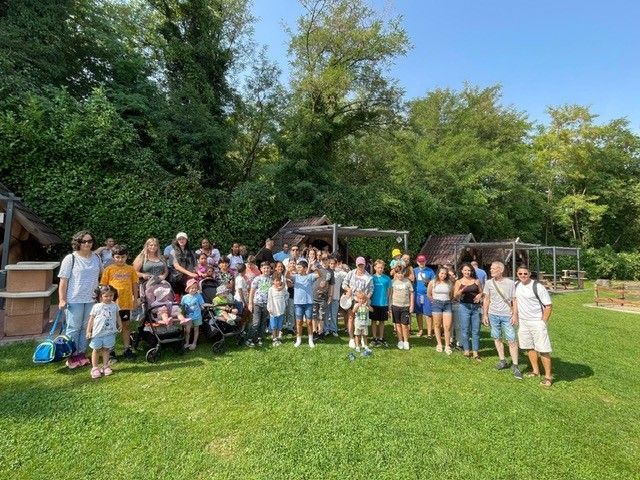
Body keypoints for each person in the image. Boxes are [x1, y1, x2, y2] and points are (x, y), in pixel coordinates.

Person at [58, 230, 102, 369]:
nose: (87, 244)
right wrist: (62, 299)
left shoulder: (96, 258)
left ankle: (81, 354)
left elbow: (101, 275)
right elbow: (63, 281)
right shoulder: (70, 258)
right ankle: (71, 356)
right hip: (74, 299)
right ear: (78, 243)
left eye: (90, 241)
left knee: (86, 327)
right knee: (73, 328)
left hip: (91, 299)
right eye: (84, 241)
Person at [513, 265, 553, 387]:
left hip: (537, 322)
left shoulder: (538, 287)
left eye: (525, 273)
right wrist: (515, 315)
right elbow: (514, 301)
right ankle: (535, 371)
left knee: (543, 349)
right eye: (520, 274)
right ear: (517, 274)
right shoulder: (516, 285)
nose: (523, 276)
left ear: (529, 274)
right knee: (529, 347)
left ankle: (548, 377)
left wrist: (543, 322)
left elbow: (548, 306)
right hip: (523, 322)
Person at [482, 261, 523, 379]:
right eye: (491, 268)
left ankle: (515, 365)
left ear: (501, 270)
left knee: (512, 340)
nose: (491, 270)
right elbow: (486, 299)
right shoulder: (488, 283)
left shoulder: (510, 283)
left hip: (507, 315)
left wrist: (514, 315)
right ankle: (502, 360)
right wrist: (485, 314)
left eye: (493, 268)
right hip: (493, 315)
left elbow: (514, 300)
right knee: (497, 338)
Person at [101, 244, 139, 361]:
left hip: (126, 303)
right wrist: (102, 302)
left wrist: (135, 299)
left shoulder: (131, 269)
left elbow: (135, 285)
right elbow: (103, 287)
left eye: (123, 257)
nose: (120, 259)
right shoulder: (108, 269)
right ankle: (111, 351)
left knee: (126, 325)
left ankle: (127, 349)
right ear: (113, 257)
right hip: (111, 304)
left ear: (126, 257)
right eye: (117, 257)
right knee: (111, 327)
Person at [86, 285, 122, 379]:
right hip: (97, 333)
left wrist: (120, 324)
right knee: (96, 349)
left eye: (111, 296)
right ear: (101, 296)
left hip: (109, 333)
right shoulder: (96, 306)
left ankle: (106, 366)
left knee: (106, 349)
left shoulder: (114, 305)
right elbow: (91, 319)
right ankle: (95, 368)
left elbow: (117, 316)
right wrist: (89, 331)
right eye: (106, 296)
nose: (109, 298)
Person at [288, 259, 320, 348]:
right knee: (299, 322)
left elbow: (319, 275)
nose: (298, 269)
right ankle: (298, 340)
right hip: (298, 303)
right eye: (297, 267)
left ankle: (310, 340)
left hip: (308, 303)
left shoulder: (310, 276)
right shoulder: (295, 277)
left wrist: (315, 268)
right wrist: (289, 269)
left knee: (309, 322)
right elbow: (287, 275)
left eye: (300, 267)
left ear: (305, 268)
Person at [342, 256, 373, 348]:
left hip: (363, 301)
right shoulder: (351, 273)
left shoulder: (368, 277)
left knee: (363, 318)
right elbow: (344, 284)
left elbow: (371, 289)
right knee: (351, 318)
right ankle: (352, 338)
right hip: (353, 299)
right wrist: (348, 290)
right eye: (359, 265)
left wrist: (366, 298)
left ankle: (363, 338)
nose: (360, 266)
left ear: (365, 265)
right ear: (356, 264)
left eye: (362, 264)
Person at [454, 263, 483, 361]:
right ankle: (466, 350)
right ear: (462, 271)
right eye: (465, 270)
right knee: (465, 330)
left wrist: (480, 295)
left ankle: (475, 352)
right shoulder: (458, 282)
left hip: (476, 308)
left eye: (469, 270)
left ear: (472, 271)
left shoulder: (476, 281)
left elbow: (482, 292)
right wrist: (459, 292)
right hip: (464, 307)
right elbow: (455, 296)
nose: (467, 272)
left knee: (476, 331)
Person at [428, 267, 453, 354]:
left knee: (447, 326)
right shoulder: (432, 282)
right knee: (437, 325)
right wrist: (433, 301)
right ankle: (439, 344)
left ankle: (447, 345)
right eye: (442, 273)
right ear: (438, 273)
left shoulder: (449, 283)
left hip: (447, 304)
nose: (443, 275)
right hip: (436, 304)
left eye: (445, 274)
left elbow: (451, 294)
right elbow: (429, 294)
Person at [247, 261, 273, 347]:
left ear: (270, 269)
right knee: (256, 322)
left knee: (263, 322)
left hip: (267, 304)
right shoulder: (257, 279)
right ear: (261, 269)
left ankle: (258, 338)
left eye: (268, 268)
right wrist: (250, 303)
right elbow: (252, 292)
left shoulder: (271, 279)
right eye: (264, 268)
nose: (266, 269)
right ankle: (249, 338)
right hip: (257, 303)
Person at [390, 264, 414, 350]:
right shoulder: (392, 282)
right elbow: (390, 294)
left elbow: (411, 294)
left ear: (404, 273)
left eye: (401, 273)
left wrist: (411, 305)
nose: (400, 275)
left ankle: (406, 341)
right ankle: (400, 341)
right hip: (395, 305)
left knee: (405, 325)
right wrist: (390, 306)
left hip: (405, 306)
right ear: (395, 273)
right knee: (398, 324)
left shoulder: (408, 282)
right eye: (398, 273)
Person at [312, 253, 334, 340]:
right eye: (323, 259)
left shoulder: (331, 271)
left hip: (324, 297)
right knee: (314, 314)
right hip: (314, 295)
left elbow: (332, 285)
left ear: (329, 260)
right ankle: (314, 332)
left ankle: (321, 332)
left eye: (326, 259)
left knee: (322, 315)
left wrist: (330, 296)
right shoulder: (317, 268)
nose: (324, 261)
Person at [370, 259, 392, 346]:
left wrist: (388, 303)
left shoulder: (387, 279)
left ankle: (381, 338)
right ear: (375, 267)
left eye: (382, 268)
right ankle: (374, 338)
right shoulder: (371, 278)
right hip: (373, 303)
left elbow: (389, 292)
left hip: (383, 304)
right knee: (374, 321)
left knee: (382, 321)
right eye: (379, 267)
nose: (380, 269)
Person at [413, 254, 435, 338]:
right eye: (420, 261)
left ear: (425, 261)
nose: (421, 263)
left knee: (428, 314)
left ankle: (429, 332)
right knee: (418, 313)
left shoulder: (430, 271)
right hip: (417, 294)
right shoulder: (414, 270)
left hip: (427, 295)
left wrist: (429, 283)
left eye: (423, 261)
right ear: (417, 262)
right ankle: (420, 330)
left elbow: (434, 282)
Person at [181, 278, 206, 350]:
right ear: (188, 288)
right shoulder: (184, 297)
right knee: (187, 331)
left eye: (195, 288)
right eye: (192, 288)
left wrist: (203, 306)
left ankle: (194, 343)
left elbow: (202, 304)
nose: (194, 289)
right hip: (188, 318)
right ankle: (187, 342)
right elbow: (182, 307)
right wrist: (182, 315)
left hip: (197, 317)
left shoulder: (198, 296)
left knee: (196, 329)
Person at [170, 232, 197, 297]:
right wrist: (190, 273)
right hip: (177, 277)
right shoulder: (173, 252)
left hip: (189, 277)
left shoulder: (191, 252)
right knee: (178, 297)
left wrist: (199, 273)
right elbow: (177, 266)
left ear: (186, 240)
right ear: (177, 241)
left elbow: (195, 265)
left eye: (183, 238)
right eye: (179, 239)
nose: (181, 240)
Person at [326, 255, 346, 337]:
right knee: (327, 314)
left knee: (334, 315)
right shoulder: (326, 272)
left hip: (335, 297)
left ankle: (334, 329)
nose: (332, 265)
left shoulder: (339, 273)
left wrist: (342, 268)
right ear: (329, 264)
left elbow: (348, 275)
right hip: (326, 298)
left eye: (334, 263)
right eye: (331, 263)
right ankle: (326, 329)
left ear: (336, 264)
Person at [267, 274, 288, 346]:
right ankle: (274, 339)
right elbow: (269, 299)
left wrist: (284, 301)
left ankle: (278, 338)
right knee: (274, 326)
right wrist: (269, 308)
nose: (278, 282)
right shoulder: (271, 289)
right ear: (273, 281)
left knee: (279, 326)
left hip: (281, 310)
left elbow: (287, 295)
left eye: (279, 280)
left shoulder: (283, 289)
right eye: (276, 281)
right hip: (273, 310)